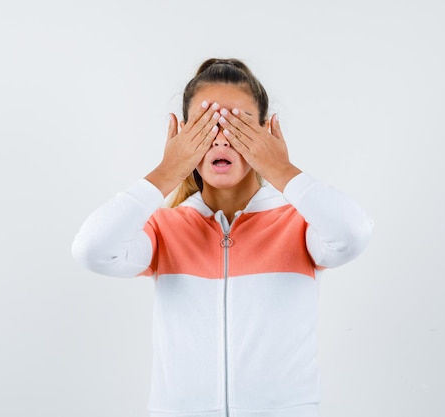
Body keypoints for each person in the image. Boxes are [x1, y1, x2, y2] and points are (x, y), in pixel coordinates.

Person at [72, 58, 373, 417]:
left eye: (238, 125)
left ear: (265, 133)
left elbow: (352, 233)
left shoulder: (301, 223)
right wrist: (169, 170)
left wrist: (279, 168)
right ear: (183, 136)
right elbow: (91, 250)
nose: (221, 138)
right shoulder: (164, 229)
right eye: (205, 124)